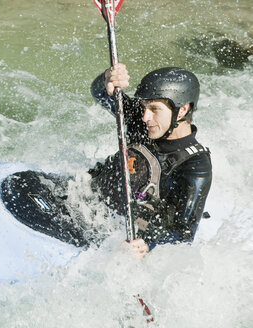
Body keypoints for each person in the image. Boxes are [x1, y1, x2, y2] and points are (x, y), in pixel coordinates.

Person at [89, 64, 212, 258]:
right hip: (90, 201)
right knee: (23, 185)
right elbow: (99, 93)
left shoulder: (195, 166)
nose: (146, 117)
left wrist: (147, 246)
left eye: (154, 109)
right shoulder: (143, 123)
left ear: (182, 110)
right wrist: (108, 79)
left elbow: (183, 235)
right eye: (144, 107)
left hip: (119, 234)